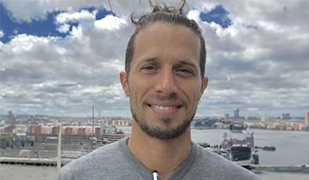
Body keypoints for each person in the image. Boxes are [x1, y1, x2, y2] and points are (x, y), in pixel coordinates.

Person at [57, 2, 262, 180]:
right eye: (150, 68)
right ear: (125, 82)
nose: (166, 86)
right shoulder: (76, 176)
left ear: (202, 87)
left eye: (183, 70)